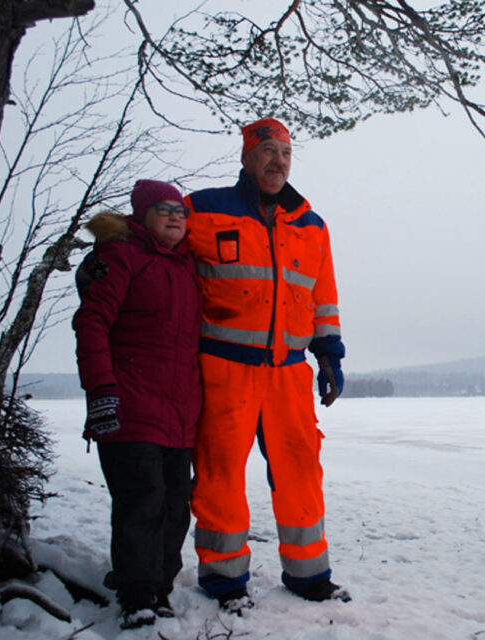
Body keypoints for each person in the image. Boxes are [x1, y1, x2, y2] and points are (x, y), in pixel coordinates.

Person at [183, 117, 349, 613]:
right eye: (268, 151)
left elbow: (324, 300)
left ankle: (309, 574)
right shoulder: (202, 210)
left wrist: (329, 357)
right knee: (220, 473)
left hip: (288, 373)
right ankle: (223, 578)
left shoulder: (311, 225)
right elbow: (155, 249)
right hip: (223, 368)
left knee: (301, 469)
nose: (278, 160)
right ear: (246, 157)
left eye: (286, 153)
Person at [72, 180, 202, 630]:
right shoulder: (121, 256)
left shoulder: (187, 269)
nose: (173, 217)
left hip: (179, 414)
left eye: (180, 211)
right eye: (163, 209)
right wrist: (102, 392)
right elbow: (91, 325)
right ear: (142, 215)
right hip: (130, 406)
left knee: (174, 505)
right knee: (141, 502)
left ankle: (159, 588)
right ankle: (137, 595)